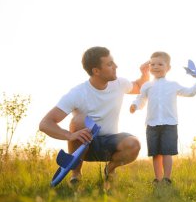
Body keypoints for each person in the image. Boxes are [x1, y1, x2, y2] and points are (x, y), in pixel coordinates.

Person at [39, 46, 150, 184]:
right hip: (86, 145)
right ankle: (76, 174)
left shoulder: (119, 83)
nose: (116, 66)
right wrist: (69, 135)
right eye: (109, 64)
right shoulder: (77, 93)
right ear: (96, 71)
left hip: (110, 143)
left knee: (134, 144)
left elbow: (139, 87)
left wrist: (144, 74)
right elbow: (45, 124)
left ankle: (109, 170)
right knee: (79, 120)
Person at [130, 51, 196, 185]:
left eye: (160, 64)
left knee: (167, 152)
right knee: (155, 153)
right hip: (152, 124)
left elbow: (190, 92)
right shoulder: (147, 85)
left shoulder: (173, 85)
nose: (156, 66)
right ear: (149, 67)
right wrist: (135, 105)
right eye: (152, 64)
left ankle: (167, 178)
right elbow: (141, 99)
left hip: (169, 124)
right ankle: (157, 179)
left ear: (168, 68)